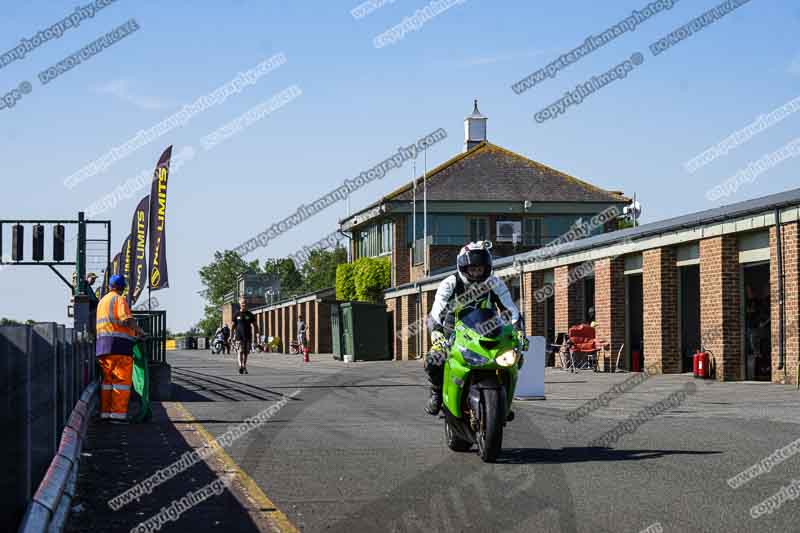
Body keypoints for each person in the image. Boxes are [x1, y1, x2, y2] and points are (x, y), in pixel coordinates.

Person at [424, 241, 524, 415]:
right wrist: (436, 332)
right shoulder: (450, 283)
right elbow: (436, 311)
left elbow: (511, 309)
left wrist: (519, 330)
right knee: (434, 359)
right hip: (452, 332)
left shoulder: (494, 283)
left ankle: (503, 401)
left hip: (487, 332)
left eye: (480, 269)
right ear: (463, 268)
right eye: (473, 269)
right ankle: (437, 392)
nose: (477, 273)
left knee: (515, 357)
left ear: (487, 268)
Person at [96, 274, 145, 423]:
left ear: (109, 286)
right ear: (122, 287)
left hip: (103, 348)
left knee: (107, 383)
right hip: (120, 347)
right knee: (121, 382)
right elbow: (126, 319)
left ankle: (105, 414)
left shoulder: (102, 302)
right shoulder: (119, 299)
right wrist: (139, 331)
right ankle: (117, 416)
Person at [232, 297, 258, 374]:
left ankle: (244, 365)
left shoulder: (250, 314)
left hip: (248, 336)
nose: (244, 304)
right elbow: (232, 326)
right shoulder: (236, 314)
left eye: (245, 303)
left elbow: (255, 326)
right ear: (240, 304)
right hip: (239, 336)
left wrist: (257, 336)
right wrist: (231, 336)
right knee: (240, 351)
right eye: (243, 303)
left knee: (246, 353)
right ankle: (240, 366)